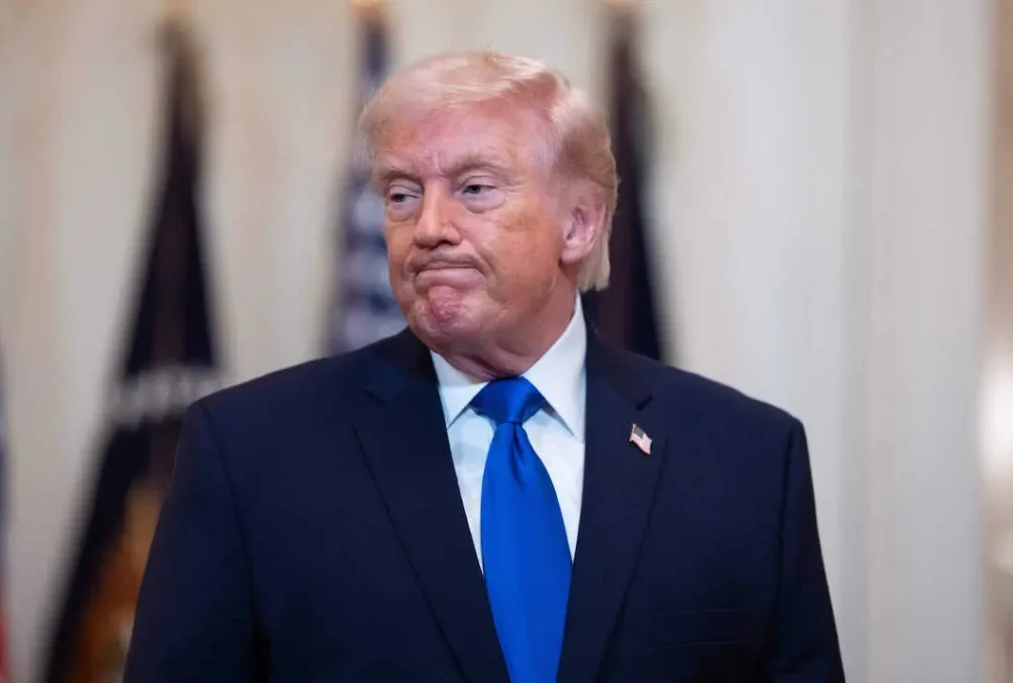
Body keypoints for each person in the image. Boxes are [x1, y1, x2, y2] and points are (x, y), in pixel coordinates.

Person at [124, 51, 844, 682]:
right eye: (403, 194)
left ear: (579, 223)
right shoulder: (252, 453)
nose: (429, 227)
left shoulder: (747, 459)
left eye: (474, 188)